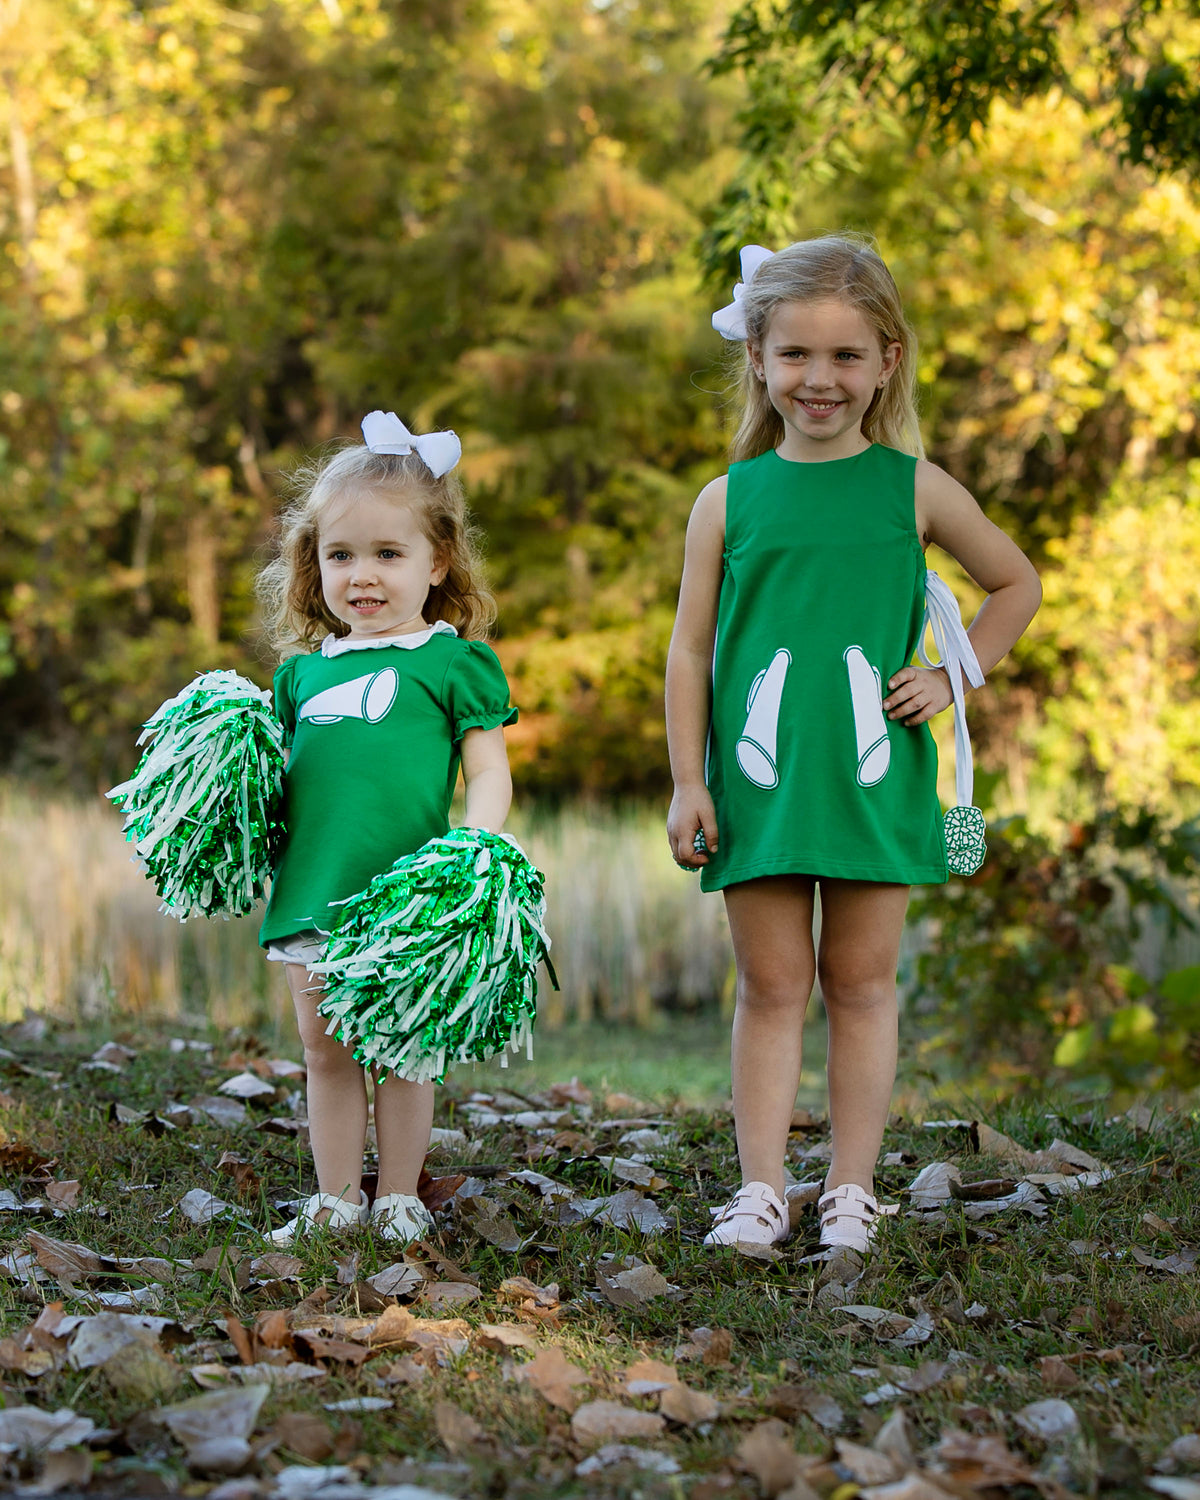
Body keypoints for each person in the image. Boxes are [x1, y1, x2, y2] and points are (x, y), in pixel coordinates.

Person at [665, 236, 1041, 1253]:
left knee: (863, 984)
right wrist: (686, 783)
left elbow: (1018, 585)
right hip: (760, 784)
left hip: (879, 778)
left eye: (843, 357)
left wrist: (955, 673)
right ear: (758, 358)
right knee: (773, 986)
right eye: (794, 355)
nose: (818, 380)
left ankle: (850, 1189)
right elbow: (693, 650)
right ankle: (758, 1189)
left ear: (887, 361)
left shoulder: (913, 488)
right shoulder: (727, 500)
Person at [255, 411, 516, 1246]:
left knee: (405, 1047)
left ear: (437, 562)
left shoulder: (450, 661)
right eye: (341, 555)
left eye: (387, 555)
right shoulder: (298, 679)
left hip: (407, 898)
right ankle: (335, 1197)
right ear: (314, 565)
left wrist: (475, 845)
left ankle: (399, 1193)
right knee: (327, 1052)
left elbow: (488, 771)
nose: (362, 576)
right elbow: (278, 788)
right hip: (317, 891)